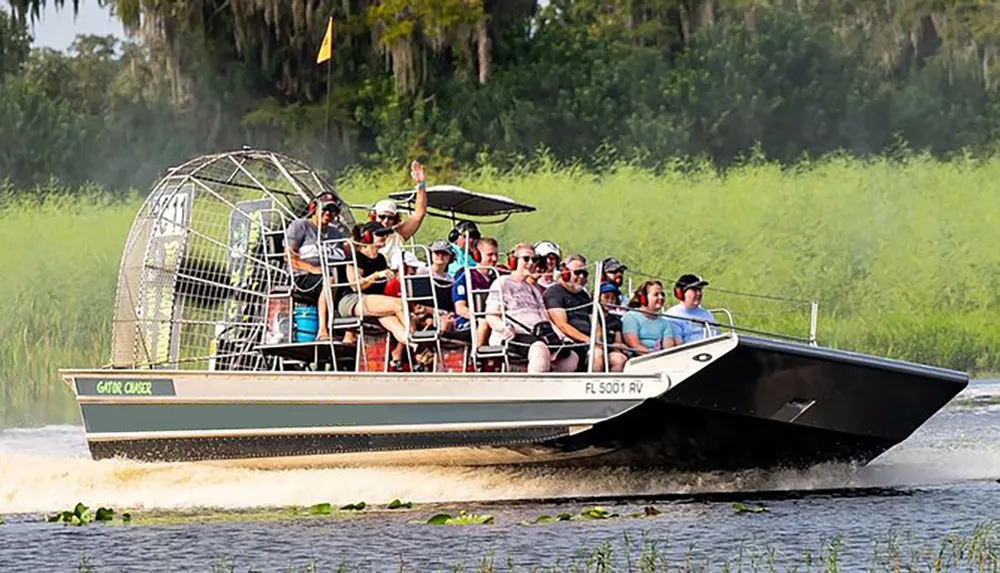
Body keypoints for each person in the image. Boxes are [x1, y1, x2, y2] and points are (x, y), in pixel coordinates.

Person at [485, 242, 578, 373]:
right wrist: (503, 328)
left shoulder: (533, 289)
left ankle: (556, 389)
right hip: (514, 335)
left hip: (538, 334)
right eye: (526, 259)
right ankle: (536, 389)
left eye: (534, 259)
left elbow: (545, 318)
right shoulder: (502, 283)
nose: (531, 263)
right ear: (514, 261)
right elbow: (491, 315)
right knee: (539, 349)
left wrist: (562, 336)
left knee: (571, 357)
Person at [342, 221, 412, 368]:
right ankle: (414, 335)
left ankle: (415, 344)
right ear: (367, 236)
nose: (384, 237)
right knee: (398, 304)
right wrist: (376, 275)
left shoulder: (381, 259)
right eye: (379, 234)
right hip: (353, 300)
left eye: (385, 234)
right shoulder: (356, 257)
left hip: (375, 302)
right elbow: (355, 286)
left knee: (395, 323)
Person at [544, 254, 627, 372]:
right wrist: (588, 340)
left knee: (619, 359)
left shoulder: (583, 295)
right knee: (597, 354)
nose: (582, 276)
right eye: (577, 272)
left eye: (585, 273)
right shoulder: (554, 293)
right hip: (573, 343)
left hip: (592, 342)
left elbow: (595, 321)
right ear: (565, 272)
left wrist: (597, 338)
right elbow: (562, 325)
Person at [286, 192, 347, 341]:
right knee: (330, 281)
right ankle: (322, 331)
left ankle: (350, 333)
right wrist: (313, 269)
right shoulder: (301, 226)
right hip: (304, 277)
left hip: (333, 275)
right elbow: (289, 257)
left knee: (352, 284)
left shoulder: (336, 233)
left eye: (332, 210)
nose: (328, 213)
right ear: (314, 208)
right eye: (325, 209)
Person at [374, 159, 429, 269]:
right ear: (374, 216)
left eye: (390, 218)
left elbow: (419, 214)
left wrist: (421, 184)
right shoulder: (364, 235)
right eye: (382, 217)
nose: (386, 221)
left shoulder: (398, 234)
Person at [452, 237, 499, 347]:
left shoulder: (497, 277)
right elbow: (460, 308)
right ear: (477, 255)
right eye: (490, 255)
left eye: (496, 254)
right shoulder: (465, 274)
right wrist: (480, 317)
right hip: (468, 322)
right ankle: (477, 356)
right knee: (484, 322)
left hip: (494, 320)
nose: (494, 258)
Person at [621, 281, 681, 355]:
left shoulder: (664, 322)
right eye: (656, 294)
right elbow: (634, 345)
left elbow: (668, 348)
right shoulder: (631, 317)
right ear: (643, 298)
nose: (661, 297)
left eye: (662, 294)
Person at [666, 274, 719, 345]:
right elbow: (678, 347)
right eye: (694, 289)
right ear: (681, 293)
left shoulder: (707, 314)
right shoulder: (672, 317)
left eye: (700, 289)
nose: (699, 293)